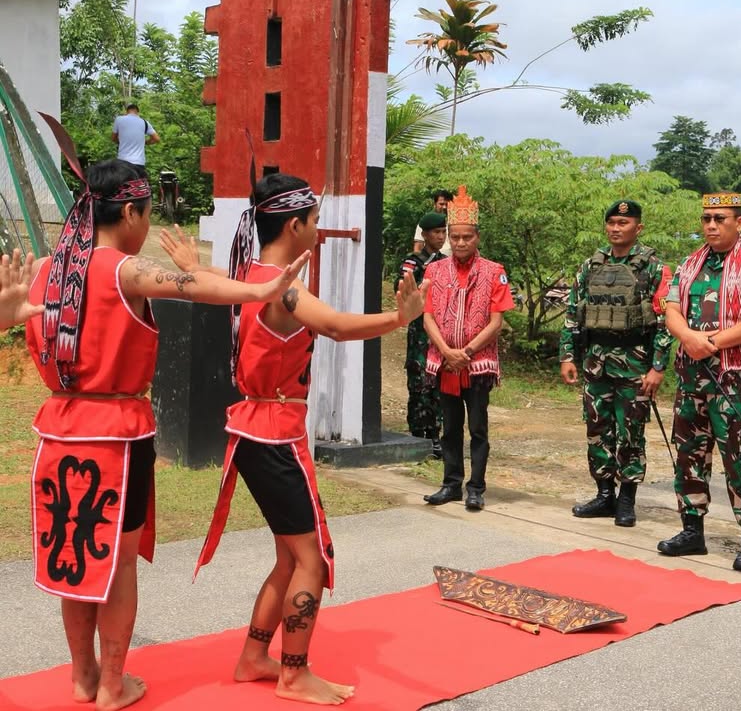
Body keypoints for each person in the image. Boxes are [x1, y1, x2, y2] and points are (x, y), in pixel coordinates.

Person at [24, 158, 307, 711]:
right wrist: (261, 289)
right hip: (115, 433)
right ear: (131, 212)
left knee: (74, 557)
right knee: (117, 563)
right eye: (148, 213)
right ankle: (112, 685)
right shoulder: (124, 270)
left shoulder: (46, 268)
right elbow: (191, 286)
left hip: (58, 430)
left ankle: (83, 677)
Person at [163, 172, 426, 706]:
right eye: (313, 220)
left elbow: (222, 281)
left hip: (256, 430)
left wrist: (194, 268)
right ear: (294, 225)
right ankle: (293, 674)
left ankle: (254, 657)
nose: (317, 228)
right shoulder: (284, 289)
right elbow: (336, 326)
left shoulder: (251, 275)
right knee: (312, 560)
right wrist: (399, 319)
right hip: (274, 437)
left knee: (290, 558)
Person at [656, 192, 741, 572]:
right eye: (706, 218)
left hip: (736, 381)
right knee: (689, 455)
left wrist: (709, 342)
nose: (711, 225)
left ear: (739, 223)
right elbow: (671, 310)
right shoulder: (690, 263)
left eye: (720, 218)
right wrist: (687, 338)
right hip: (692, 378)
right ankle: (692, 531)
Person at [559, 200, 673, 527]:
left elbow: (665, 321)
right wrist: (568, 356)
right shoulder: (590, 266)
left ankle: (626, 500)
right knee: (597, 429)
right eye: (611, 222)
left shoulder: (654, 268)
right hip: (596, 361)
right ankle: (604, 494)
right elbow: (573, 313)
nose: (615, 228)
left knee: (631, 432)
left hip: (635, 362)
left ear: (638, 227)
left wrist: (658, 367)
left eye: (623, 222)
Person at [421, 185, 515, 511]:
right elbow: (427, 317)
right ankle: (450, 484)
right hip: (444, 361)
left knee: (477, 427)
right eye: (455, 237)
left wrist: (467, 352)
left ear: (477, 237)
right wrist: (447, 352)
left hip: (477, 364)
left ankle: (476, 487)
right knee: (449, 427)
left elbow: (496, 322)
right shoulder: (433, 270)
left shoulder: (494, 271)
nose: (461, 243)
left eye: (467, 237)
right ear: (449, 236)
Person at [399, 212, 448, 456]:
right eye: (436, 232)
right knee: (419, 385)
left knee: (437, 385)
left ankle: (435, 435)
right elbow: (404, 288)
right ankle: (418, 435)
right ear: (425, 235)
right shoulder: (414, 261)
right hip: (420, 333)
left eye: (443, 232)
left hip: (440, 332)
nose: (441, 237)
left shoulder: (447, 262)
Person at [111, 104, 160, 178]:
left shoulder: (119, 119)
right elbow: (157, 139)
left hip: (122, 162)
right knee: (137, 184)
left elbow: (113, 138)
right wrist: (145, 142)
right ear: (137, 112)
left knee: (123, 184)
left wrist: (121, 142)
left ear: (127, 112)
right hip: (139, 163)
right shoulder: (144, 122)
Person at [412, 189, 453, 254]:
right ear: (435, 204)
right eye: (441, 204)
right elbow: (418, 248)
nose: (444, 207)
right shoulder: (427, 222)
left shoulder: (457, 223)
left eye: (447, 204)